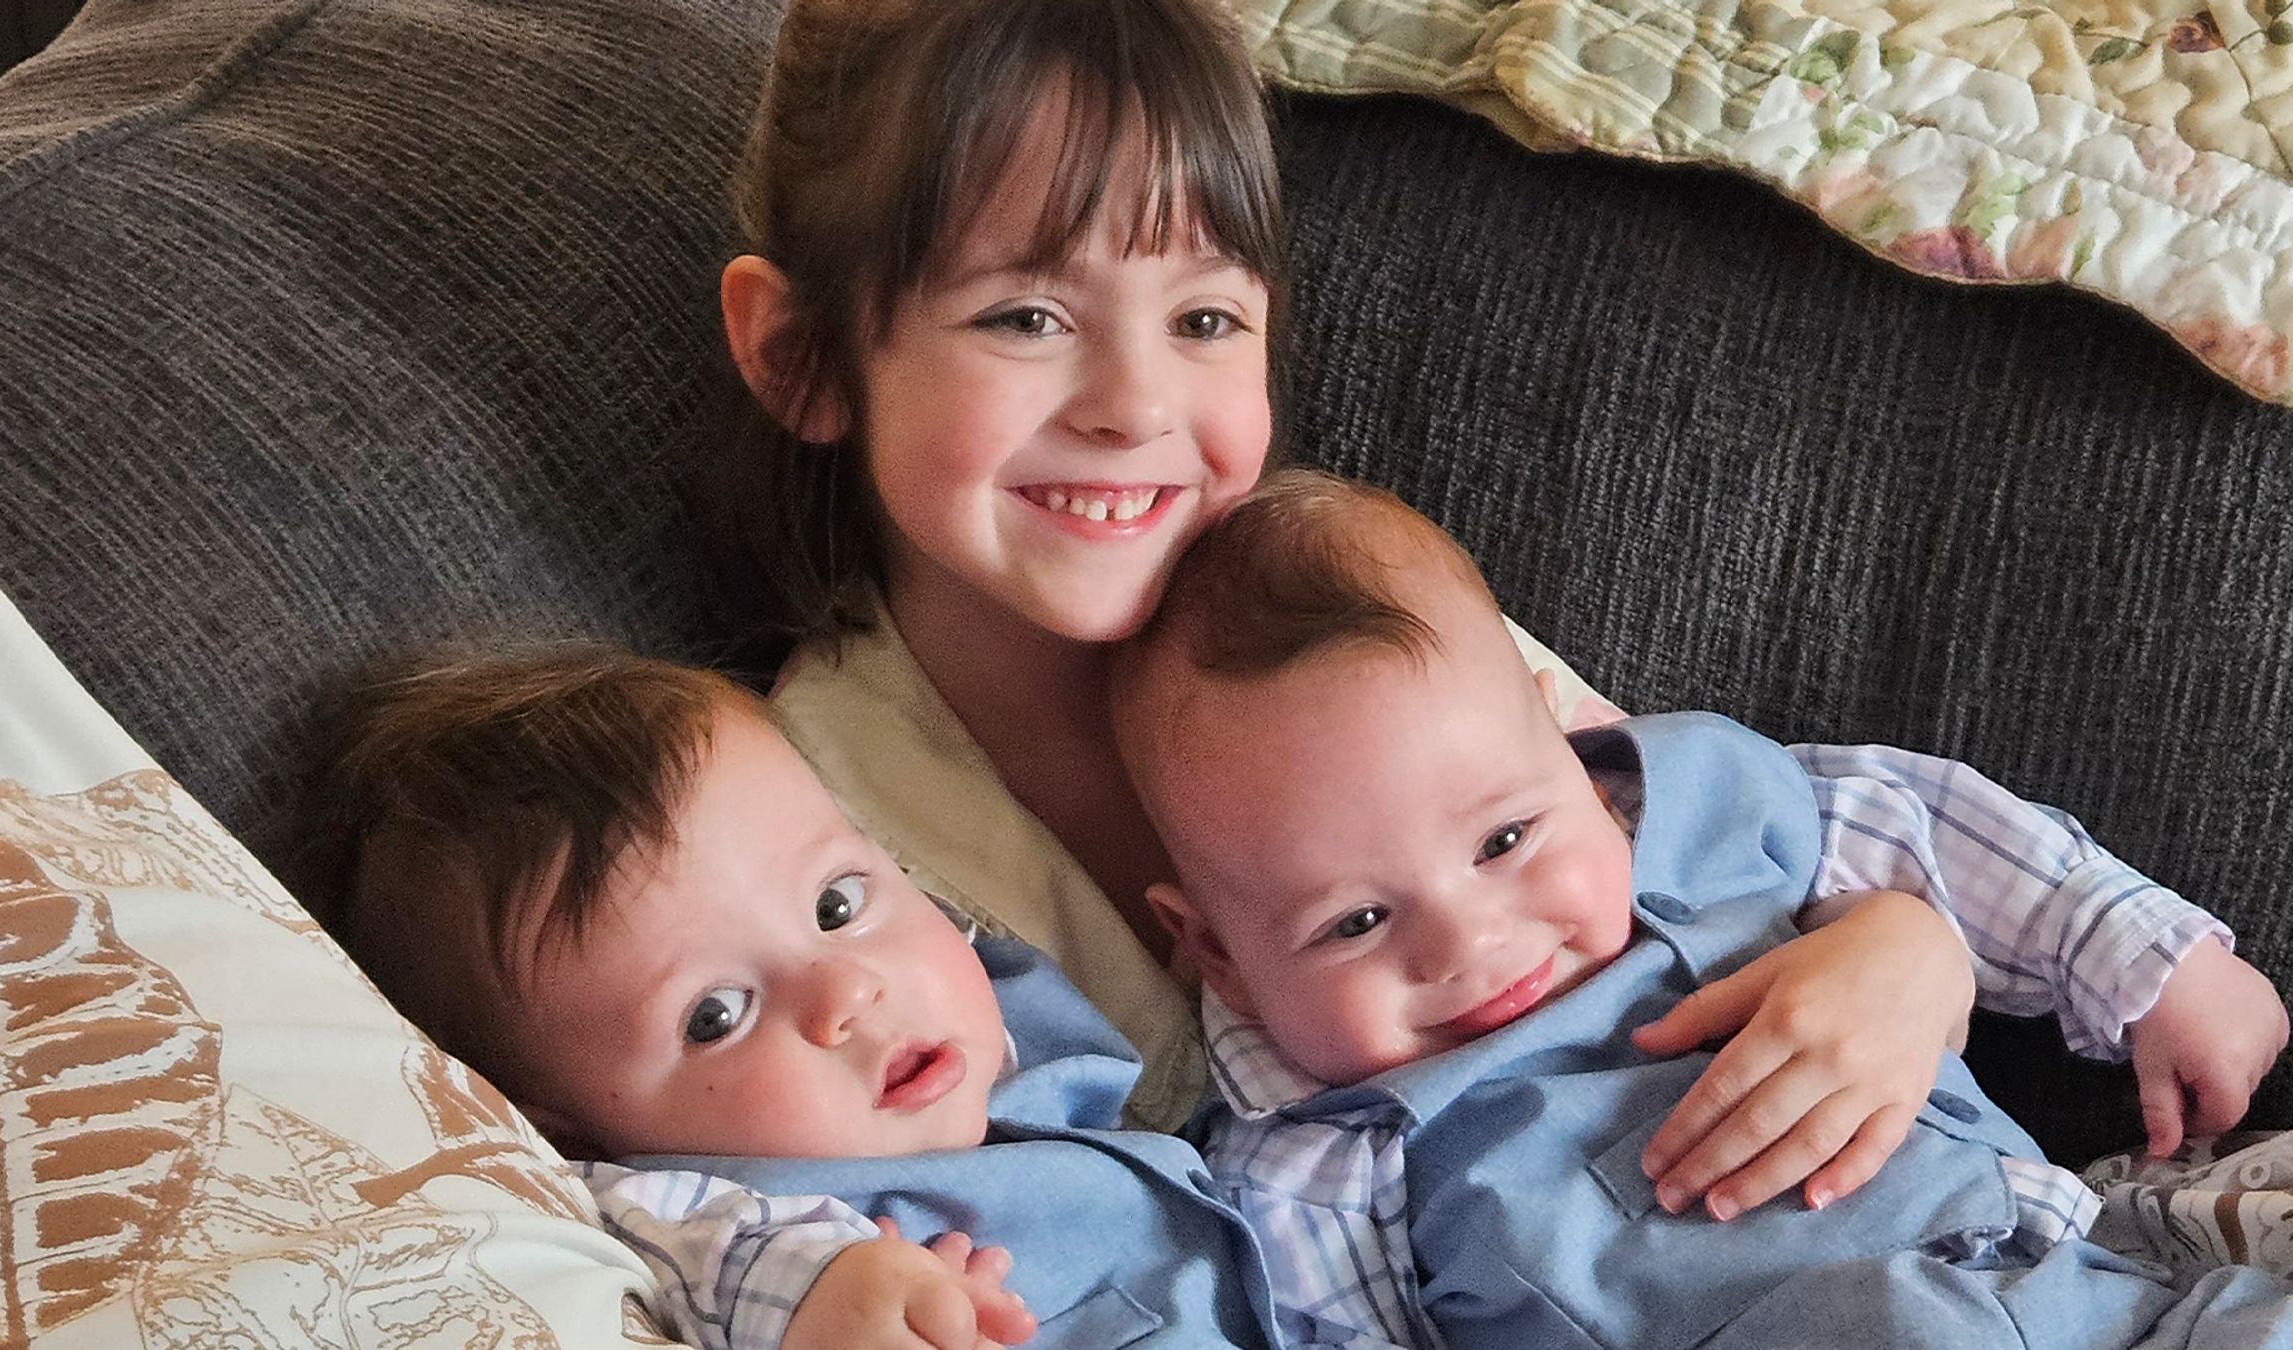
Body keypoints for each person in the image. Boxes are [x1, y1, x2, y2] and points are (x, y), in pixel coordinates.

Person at [721, 0, 1979, 1222]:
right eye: (1027, 317)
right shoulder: (795, 828)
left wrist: (1909, 954)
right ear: (801, 357)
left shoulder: (1368, 623)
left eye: (1204, 317)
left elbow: (1724, 869)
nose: (1135, 405)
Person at [1105, 469, 2293, 1349]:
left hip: (2106, 1296)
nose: (1470, 942)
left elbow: (1920, 821)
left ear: (1563, 743)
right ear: (1215, 950)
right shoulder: (1316, 1170)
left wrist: (2144, 959)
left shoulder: (1700, 817)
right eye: (1355, 923)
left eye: (1507, 840)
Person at [316, 644, 1283, 1350]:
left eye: (836, 903)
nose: (844, 992)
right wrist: (826, 1304)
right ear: (562, 1133)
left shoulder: (1000, 1006)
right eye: (715, 1016)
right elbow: (710, 1260)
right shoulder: (718, 1220)